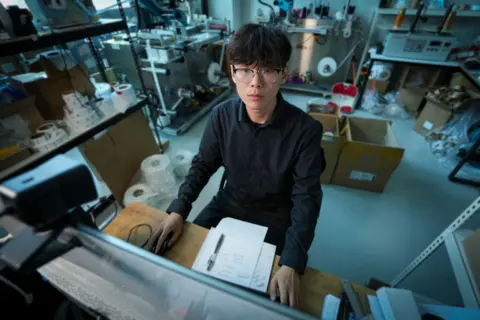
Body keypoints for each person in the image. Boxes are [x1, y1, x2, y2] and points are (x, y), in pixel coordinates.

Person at [148, 23, 325, 308]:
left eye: (267, 70)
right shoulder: (221, 116)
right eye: (244, 69)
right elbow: (203, 165)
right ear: (232, 73)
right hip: (229, 203)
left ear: (283, 75)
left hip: (277, 214)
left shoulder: (306, 131)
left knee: (265, 298)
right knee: (177, 261)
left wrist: (292, 262)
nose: (255, 82)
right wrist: (179, 209)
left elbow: (307, 199)